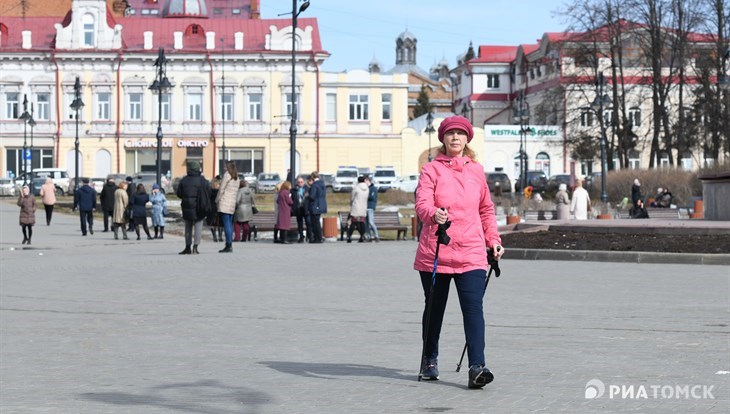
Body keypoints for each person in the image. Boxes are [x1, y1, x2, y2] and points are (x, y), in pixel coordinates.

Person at [414, 115, 504, 389]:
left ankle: (477, 367)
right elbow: (422, 204)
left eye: (460, 134)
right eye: (450, 133)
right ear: (443, 138)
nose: (455, 138)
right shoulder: (431, 170)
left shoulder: (476, 171)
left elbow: (486, 210)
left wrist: (494, 240)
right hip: (437, 251)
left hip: (471, 252)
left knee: (473, 309)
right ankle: (429, 360)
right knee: (435, 309)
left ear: (467, 139)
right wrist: (433, 214)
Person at [176, 161, 210, 255]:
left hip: (187, 207)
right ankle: (195, 247)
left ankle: (187, 247)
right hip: (199, 207)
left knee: (188, 227)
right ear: (199, 169)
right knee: (198, 227)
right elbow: (208, 192)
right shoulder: (202, 180)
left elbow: (179, 193)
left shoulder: (184, 180)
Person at [215, 162, 239, 253]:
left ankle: (228, 245)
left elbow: (221, 189)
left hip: (225, 202)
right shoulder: (237, 177)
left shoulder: (227, 175)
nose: (224, 168)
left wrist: (217, 200)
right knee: (229, 224)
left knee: (226, 225)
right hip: (232, 203)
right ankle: (229, 244)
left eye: (225, 166)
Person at [307, 171, 327, 243]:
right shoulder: (322, 184)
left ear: (312, 177)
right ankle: (319, 237)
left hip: (315, 205)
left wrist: (307, 196)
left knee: (315, 223)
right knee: (317, 222)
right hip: (321, 205)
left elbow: (312, 196)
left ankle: (318, 238)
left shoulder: (314, 185)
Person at [347, 175, 368, 243]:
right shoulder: (367, 188)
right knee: (362, 222)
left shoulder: (356, 188)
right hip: (363, 207)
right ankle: (362, 236)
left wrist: (351, 203)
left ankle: (349, 236)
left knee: (353, 222)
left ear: (358, 181)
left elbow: (352, 198)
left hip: (356, 207)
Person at [292, 176, 308, 243]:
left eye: (301, 182)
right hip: (298, 208)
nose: (300, 183)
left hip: (306, 208)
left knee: (308, 223)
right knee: (300, 223)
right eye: (299, 182)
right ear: (296, 183)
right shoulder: (294, 190)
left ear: (303, 182)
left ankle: (309, 236)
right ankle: (301, 236)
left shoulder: (307, 189)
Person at [208, 177, 223, 243]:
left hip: (213, 208)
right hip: (216, 208)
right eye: (218, 185)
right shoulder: (219, 192)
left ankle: (216, 236)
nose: (219, 186)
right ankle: (218, 236)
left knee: (214, 223)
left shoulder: (209, 191)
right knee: (218, 223)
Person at [365, 176, 380, 242]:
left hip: (370, 207)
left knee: (371, 222)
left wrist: (365, 196)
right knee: (366, 223)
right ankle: (369, 236)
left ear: (368, 181)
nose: (364, 183)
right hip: (365, 207)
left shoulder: (373, 188)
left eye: (365, 181)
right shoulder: (366, 188)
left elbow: (372, 197)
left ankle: (376, 235)